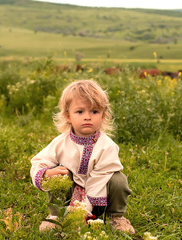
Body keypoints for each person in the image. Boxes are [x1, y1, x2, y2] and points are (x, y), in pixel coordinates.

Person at [30, 79, 134, 234]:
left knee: (118, 179)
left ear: (103, 115)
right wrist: (46, 173)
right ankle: (57, 215)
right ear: (68, 116)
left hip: (99, 198)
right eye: (80, 111)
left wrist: (84, 210)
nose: (87, 117)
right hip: (68, 195)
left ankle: (115, 217)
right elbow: (39, 161)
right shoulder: (60, 142)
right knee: (58, 174)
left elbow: (99, 179)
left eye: (94, 111)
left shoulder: (107, 146)